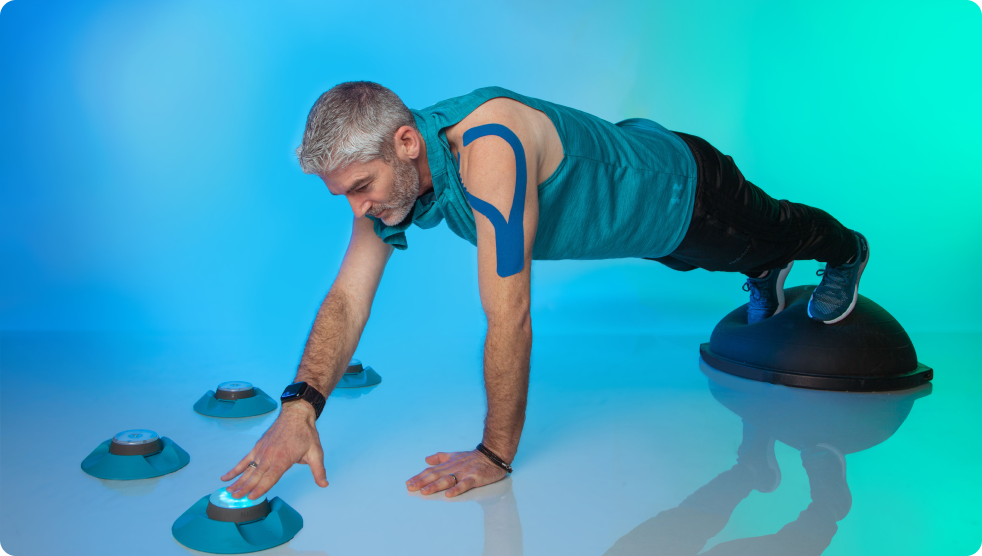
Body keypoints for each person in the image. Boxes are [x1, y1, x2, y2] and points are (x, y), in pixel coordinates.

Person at [221, 81, 870, 501]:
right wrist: (299, 409)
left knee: (772, 232)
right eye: (347, 195)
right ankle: (760, 273)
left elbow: (510, 316)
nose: (358, 208)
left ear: (406, 143)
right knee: (701, 262)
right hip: (641, 214)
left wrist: (494, 454)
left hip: (686, 190)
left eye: (361, 186)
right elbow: (347, 298)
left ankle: (846, 250)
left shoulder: (491, 151)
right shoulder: (394, 178)